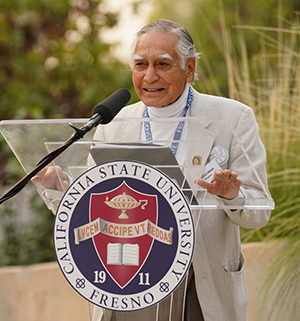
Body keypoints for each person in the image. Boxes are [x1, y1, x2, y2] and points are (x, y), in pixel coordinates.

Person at [33, 19, 272, 321]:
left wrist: (232, 195)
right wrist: (63, 189)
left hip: (199, 287)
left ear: (189, 68)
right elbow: (97, 210)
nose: (149, 76)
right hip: (128, 284)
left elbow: (260, 210)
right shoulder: (113, 125)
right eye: (139, 65)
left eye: (162, 64)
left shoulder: (232, 119)